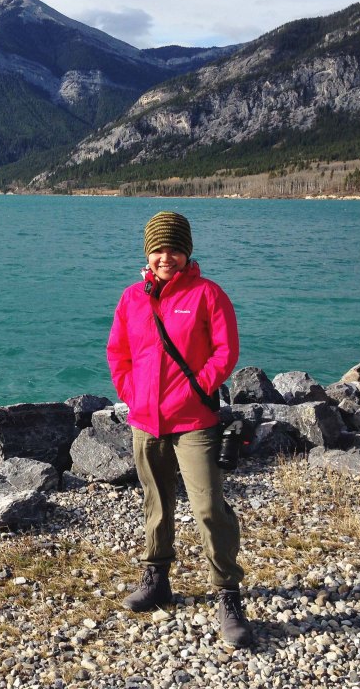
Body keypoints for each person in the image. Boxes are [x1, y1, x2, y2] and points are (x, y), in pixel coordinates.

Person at [106, 210, 253, 647]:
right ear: (147, 254)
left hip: (193, 421)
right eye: (157, 249)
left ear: (187, 253)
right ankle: (157, 578)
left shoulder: (208, 294)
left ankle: (228, 592)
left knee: (209, 508)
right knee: (157, 503)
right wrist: (132, 395)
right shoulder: (132, 297)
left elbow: (226, 351)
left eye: (173, 249)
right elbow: (119, 353)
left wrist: (199, 389)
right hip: (145, 421)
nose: (165, 256)